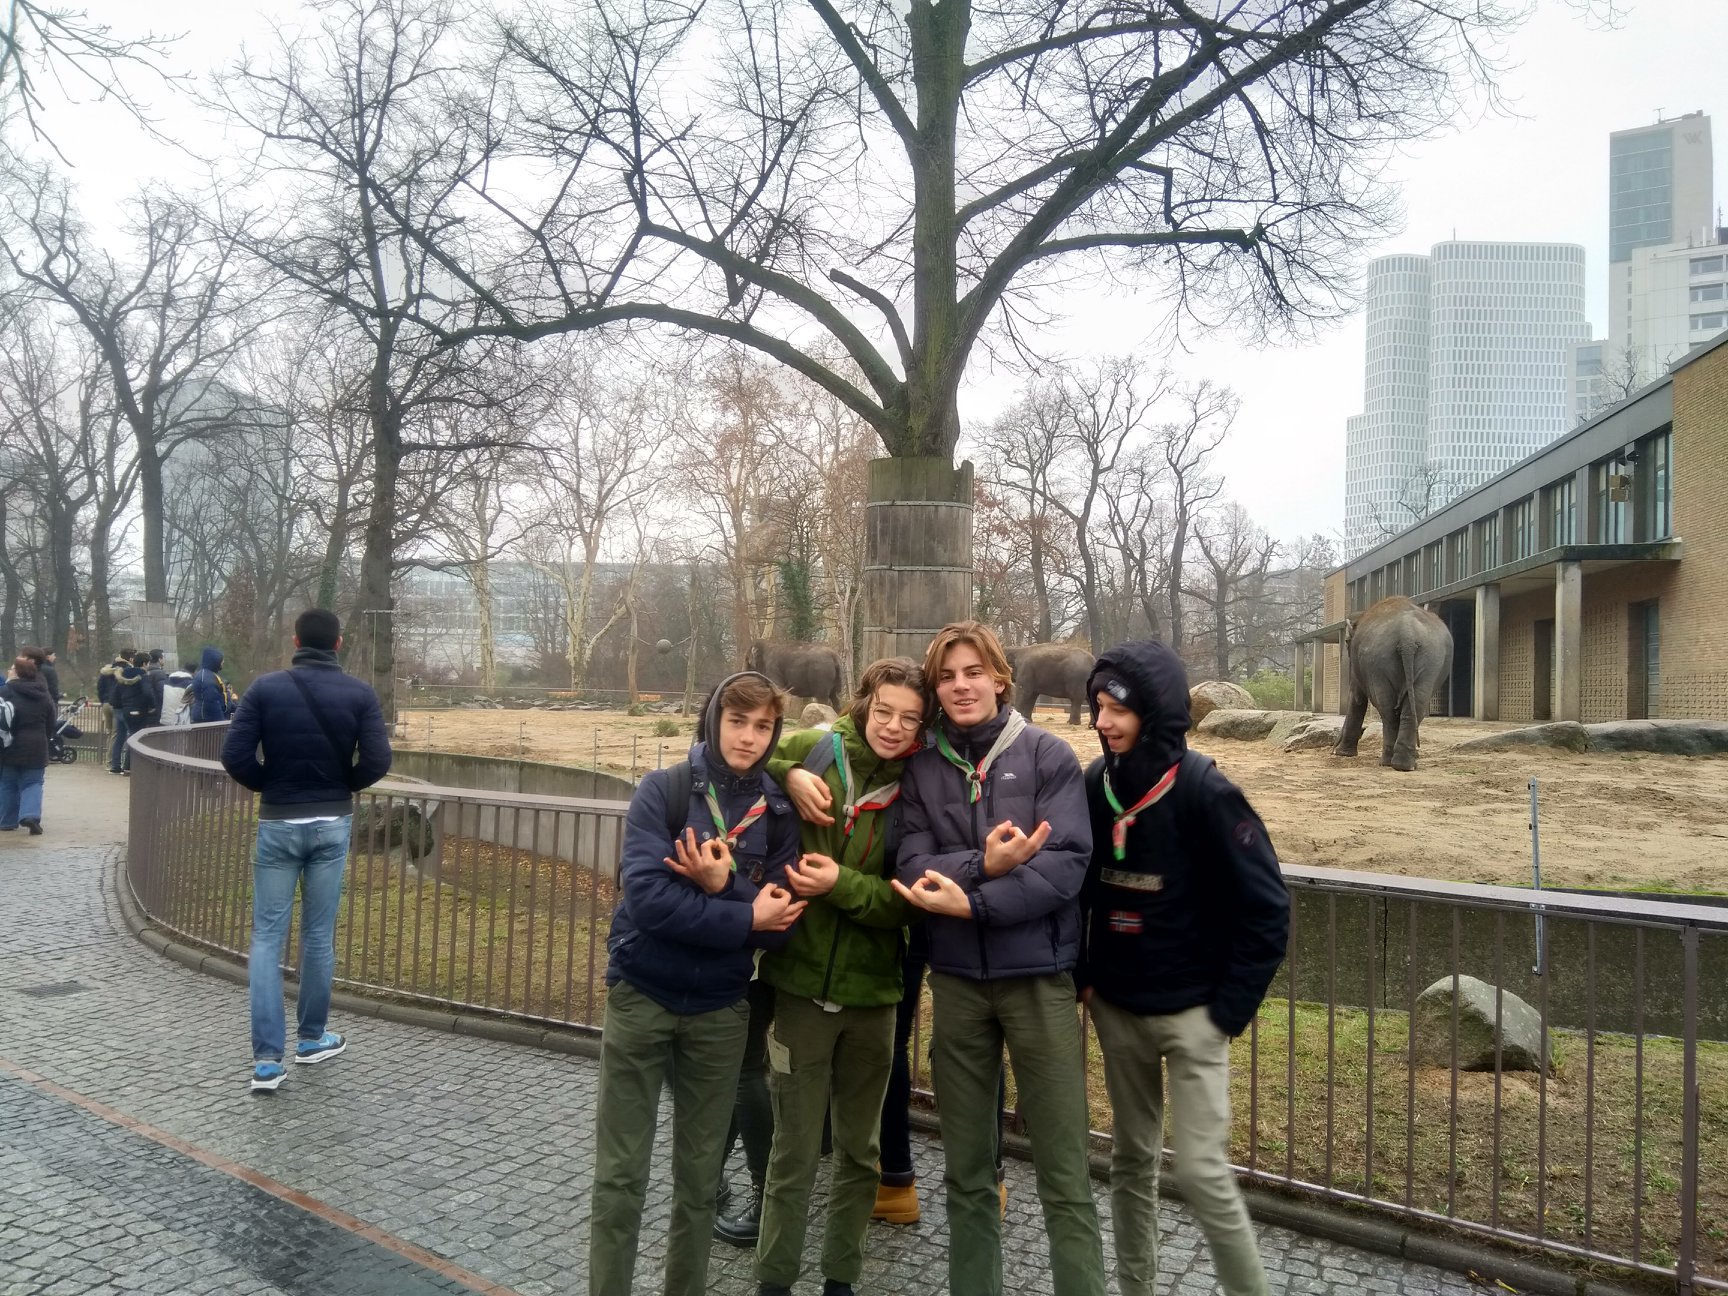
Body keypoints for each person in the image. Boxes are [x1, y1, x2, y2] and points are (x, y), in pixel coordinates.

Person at [892, 621, 1105, 1296]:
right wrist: (983, 867)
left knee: (1064, 1172)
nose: (961, 686)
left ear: (1000, 678)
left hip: (1038, 982)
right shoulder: (922, 767)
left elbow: (1064, 864)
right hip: (957, 984)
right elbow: (912, 863)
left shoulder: (1047, 754)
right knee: (967, 1173)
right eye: (947, 676)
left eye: (973, 672)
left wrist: (973, 903)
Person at [1077, 641, 1290, 1296]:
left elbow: (1268, 908)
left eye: (1117, 708)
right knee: (1130, 1163)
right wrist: (1086, 973)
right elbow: (1079, 889)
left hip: (1194, 1016)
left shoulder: (1206, 790)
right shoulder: (1097, 784)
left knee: (1200, 1171)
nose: (1103, 722)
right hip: (1118, 1010)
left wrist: (1226, 1012)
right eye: (1097, 706)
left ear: (1155, 710)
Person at [591, 670, 805, 1296]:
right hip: (642, 994)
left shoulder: (779, 812)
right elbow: (648, 902)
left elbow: (782, 927)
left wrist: (720, 886)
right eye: (737, 721)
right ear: (714, 720)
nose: (749, 737)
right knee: (620, 1175)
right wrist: (744, 913)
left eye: (763, 726)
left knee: (699, 1180)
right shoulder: (663, 791)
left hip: (719, 1009)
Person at [750, 657, 927, 1296]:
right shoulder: (819, 748)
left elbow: (910, 902)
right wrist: (791, 773)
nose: (893, 727)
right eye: (884, 711)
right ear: (863, 705)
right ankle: (774, 1280)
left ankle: (840, 1280)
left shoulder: (920, 788)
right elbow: (736, 753)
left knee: (860, 1152)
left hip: (874, 994)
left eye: (910, 719)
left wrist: (841, 884)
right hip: (799, 986)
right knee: (793, 1151)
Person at [220, 609, 392, 1094]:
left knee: (266, 938)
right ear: (338, 643)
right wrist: (342, 786)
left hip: (278, 821)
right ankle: (312, 1038)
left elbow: (234, 756)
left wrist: (269, 786)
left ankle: (266, 1061)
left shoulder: (264, 689)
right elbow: (378, 759)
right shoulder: (360, 693)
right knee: (318, 935)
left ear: (296, 641)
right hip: (331, 822)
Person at [1, 654, 55, 834]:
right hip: (36, 743)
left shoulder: (6, 692)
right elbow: (51, 720)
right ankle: (30, 815)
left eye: (12, 668)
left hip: (9, 743)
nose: (9, 671)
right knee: (33, 782)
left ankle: (6, 820)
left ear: (17, 673)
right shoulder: (43, 694)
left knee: (8, 782)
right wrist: (45, 737)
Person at [110, 652, 157, 773]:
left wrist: (119, 706)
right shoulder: (142, 676)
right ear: (144, 663)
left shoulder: (123, 674)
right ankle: (128, 767)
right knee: (135, 737)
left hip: (123, 710)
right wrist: (152, 706)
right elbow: (147, 692)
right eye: (148, 663)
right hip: (137, 710)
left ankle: (115, 766)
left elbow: (115, 694)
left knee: (119, 738)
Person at [189, 645, 235, 723]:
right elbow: (212, 703)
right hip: (207, 720)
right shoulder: (207, 678)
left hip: (209, 718)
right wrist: (221, 722)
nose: (223, 662)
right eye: (221, 660)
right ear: (214, 661)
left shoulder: (210, 675)